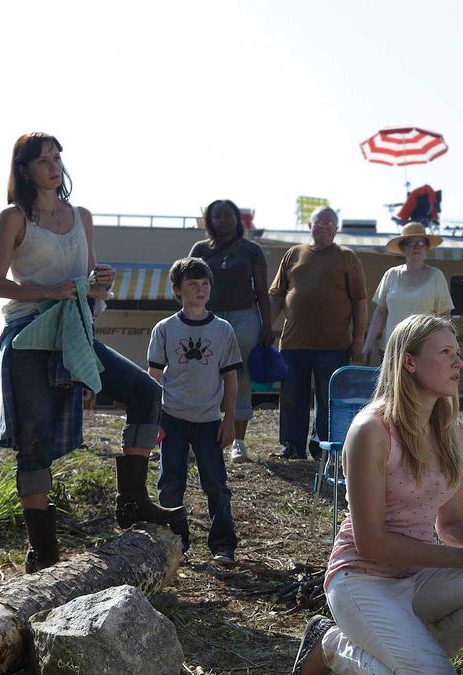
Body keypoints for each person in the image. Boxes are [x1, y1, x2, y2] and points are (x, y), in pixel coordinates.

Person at [291, 314, 463, 675]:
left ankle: (406, 650)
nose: (458, 362)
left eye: (457, 352)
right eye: (445, 352)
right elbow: (370, 543)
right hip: (361, 581)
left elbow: (451, 525)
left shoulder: (453, 432)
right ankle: (334, 645)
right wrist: (462, 559)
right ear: (409, 362)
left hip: (419, 579)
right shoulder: (371, 430)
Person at [0, 133, 184, 573]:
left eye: (57, 158)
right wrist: (50, 290)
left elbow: (91, 282)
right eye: (43, 160)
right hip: (29, 333)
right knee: (33, 443)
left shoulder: (82, 216)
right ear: (24, 169)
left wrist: (100, 283)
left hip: (75, 328)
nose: (54, 166)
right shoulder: (13, 217)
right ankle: (44, 552)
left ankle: (131, 501)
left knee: (146, 392)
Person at [148, 257, 241, 564]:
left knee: (216, 484)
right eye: (193, 284)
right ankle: (176, 542)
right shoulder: (165, 329)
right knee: (170, 483)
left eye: (205, 284)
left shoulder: (223, 330)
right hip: (172, 417)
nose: (201, 290)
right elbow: (154, 377)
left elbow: (231, 377)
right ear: (178, 289)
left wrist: (229, 419)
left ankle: (223, 544)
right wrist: (153, 420)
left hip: (209, 420)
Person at [269, 205, 368, 460]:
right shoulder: (293, 254)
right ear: (309, 226)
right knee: (292, 396)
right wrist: (265, 327)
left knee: (328, 398)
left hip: (334, 345)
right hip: (293, 343)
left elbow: (359, 301)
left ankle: (322, 446)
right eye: (318, 223)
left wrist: (358, 340)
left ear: (336, 229)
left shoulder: (347, 257)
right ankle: (292, 445)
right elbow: (277, 296)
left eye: (328, 224)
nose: (323, 227)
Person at [190, 199, 272, 463]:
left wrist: (267, 325)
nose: (223, 220)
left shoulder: (252, 250)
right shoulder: (200, 249)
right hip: (207, 318)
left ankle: (239, 441)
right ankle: (199, 437)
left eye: (228, 215)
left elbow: (262, 290)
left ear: (237, 219)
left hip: (244, 317)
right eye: (217, 215)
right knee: (202, 373)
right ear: (209, 220)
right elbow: (189, 285)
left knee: (239, 374)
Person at [361, 223, 454, 360]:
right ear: (402, 248)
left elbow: (444, 316)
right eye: (411, 243)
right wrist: (368, 345)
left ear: (426, 248)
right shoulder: (391, 275)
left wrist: (443, 347)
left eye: (421, 243)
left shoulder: (436, 276)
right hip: (390, 351)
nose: (416, 247)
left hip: (423, 352)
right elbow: (380, 313)